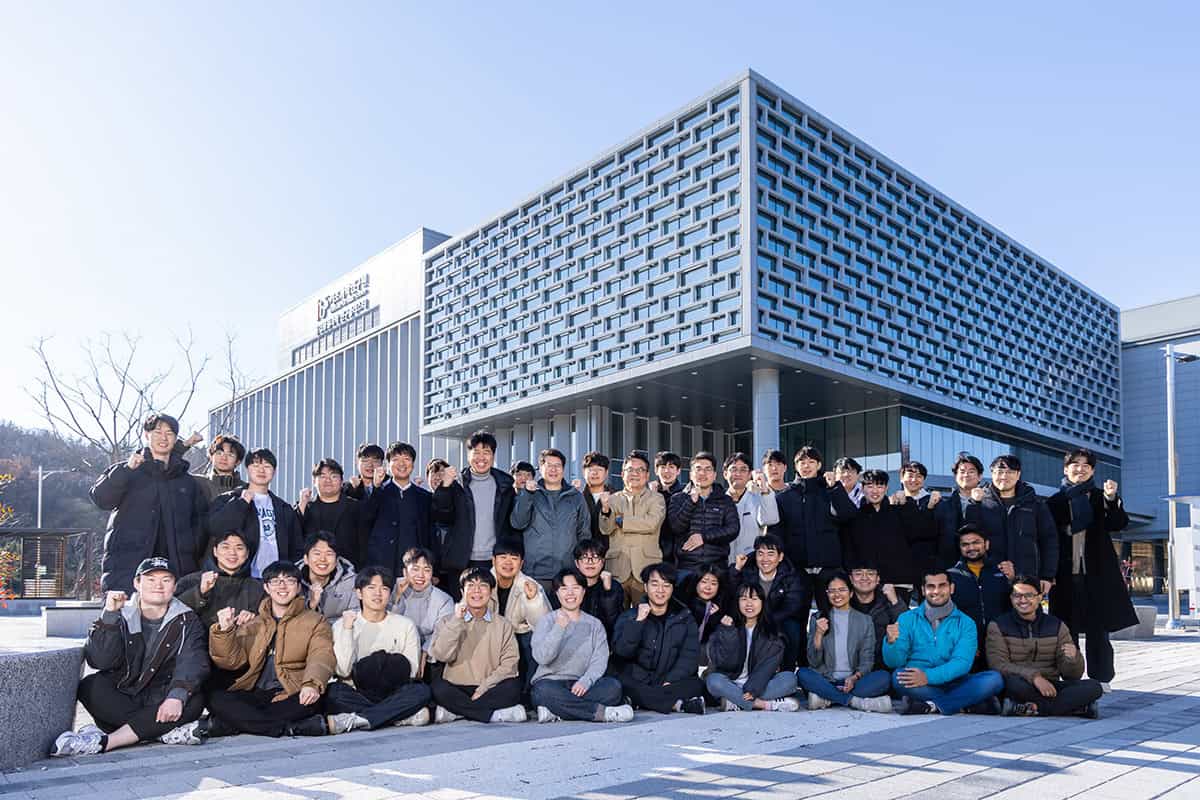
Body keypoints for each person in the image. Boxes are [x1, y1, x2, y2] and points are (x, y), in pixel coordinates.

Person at [51, 558, 209, 756]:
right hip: (125, 693)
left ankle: (107, 742)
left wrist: (175, 696)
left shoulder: (187, 619)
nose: (158, 585)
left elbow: (192, 661)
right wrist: (109, 616)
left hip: (161, 697)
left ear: (175, 586)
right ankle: (160, 732)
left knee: (194, 700)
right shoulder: (122, 613)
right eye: (150, 579)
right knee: (90, 686)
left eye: (166, 580)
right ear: (137, 583)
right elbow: (99, 661)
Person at [201, 560, 336, 738]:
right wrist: (225, 631)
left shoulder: (315, 621)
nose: (282, 586)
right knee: (216, 698)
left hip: (291, 692)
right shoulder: (253, 623)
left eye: (289, 581)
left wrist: (311, 684)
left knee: (312, 701)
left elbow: (321, 655)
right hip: (254, 692)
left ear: (298, 587)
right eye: (275, 581)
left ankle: (233, 724)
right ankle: (288, 729)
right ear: (266, 587)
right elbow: (231, 662)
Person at [1046, 448, 1137, 686]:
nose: (1080, 469)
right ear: (1066, 469)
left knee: (1099, 631)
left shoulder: (1100, 497)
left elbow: (1118, 523)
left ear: (1093, 471)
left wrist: (1111, 499)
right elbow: (1046, 538)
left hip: (1097, 576)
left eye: (1086, 466)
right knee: (1066, 630)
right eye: (1075, 465)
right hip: (1063, 576)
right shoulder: (1055, 502)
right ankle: (1070, 676)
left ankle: (1102, 678)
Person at [90, 413, 210, 592]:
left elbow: (200, 526)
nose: (164, 438)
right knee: (127, 609)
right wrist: (126, 471)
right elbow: (101, 499)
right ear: (147, 435)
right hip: (127, 569)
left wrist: (192, 552)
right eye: (158, 432)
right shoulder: (129, 470)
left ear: (175, 438)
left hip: (178, 570)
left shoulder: (186, 482)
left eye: (169, 433)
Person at [768, 446, 857, 665]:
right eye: (802, 462)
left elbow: (849, 515)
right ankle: (796, 665)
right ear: (795, 466)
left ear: (819, 465)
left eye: (811, 462)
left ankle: (832, 665)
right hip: (797, 570)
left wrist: (835, 488)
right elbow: (777, 534)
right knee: (794, 619)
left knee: (832, 618)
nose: (806, 466)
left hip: (828, 568)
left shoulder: (830, 491)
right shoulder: (785, 496)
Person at [324, 566, 432, 733]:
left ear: (390, 593)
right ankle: (399, 717)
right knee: (334, 693)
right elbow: (343, 670)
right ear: (359, 593)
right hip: (358, 691)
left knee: (421, 691)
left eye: (384, 588)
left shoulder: (405, 624)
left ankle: (358, 719)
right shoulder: (343, 624)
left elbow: (412, 671)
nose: (378, 594)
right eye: (371, 588)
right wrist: (347, 630)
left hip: (394, 690)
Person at [883, 569, 1003, 715]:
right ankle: (966, 703)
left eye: (942, 586)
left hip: (954, 681)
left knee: (994, 679)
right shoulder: (906, 618)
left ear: (951, 588)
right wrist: (891, 643)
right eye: (931, 586)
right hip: (917, 680)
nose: (936, 591)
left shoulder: (966, 623)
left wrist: (928, 677)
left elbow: (962, 663)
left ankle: (932, 706)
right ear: (923, 590)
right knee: (898, 677)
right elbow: (894, 662)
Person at [987, 576, 1102, 718]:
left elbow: (1072, 675)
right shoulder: (998, 625)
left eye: (1029, 595)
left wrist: (1073, 659)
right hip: (1021, 683)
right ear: (1011, 598)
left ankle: (1031, 708)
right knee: (1013, 684)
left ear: (1039, 597)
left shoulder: (1056, 625)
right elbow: (998, 665)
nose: (1023, 600)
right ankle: (1073, 708)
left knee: (1094, 686)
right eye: (1017, 595)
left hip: (1051, 684)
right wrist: (1034, 677)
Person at [530, 568, 634, 723]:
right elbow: (542, 658)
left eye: (575, 588)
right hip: (552, 683)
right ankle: (602, 713)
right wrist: (559, 628)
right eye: (564, 589)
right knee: (541, 692)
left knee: (613, 688)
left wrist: (586, 681)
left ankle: (557, 711)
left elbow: (599, 660)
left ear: (583, 591)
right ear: (557, 593)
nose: (570, 593)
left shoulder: (595, 625)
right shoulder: (547, 621)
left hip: (583, 684)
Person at [428, 568, 526, 723]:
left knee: (514, 688)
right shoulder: (447, 621)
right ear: (462, 591)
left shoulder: (503, 624)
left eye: (483, 586)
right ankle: (493, 715)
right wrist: (457, 621)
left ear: (491, 592)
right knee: (438, 689)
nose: (477, 591)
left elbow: (510, 664)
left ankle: (457, 712)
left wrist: (484, 687)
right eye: (471, 586)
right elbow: (442, 655)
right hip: (457, 686)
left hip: (490, 687)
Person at [431, 431, 518, 599]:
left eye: (486, 452)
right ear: (468, 455)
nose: (481, 457)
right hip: (461, 560)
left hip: (496, 560)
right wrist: (445, 487)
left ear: (493, 456)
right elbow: (441, 518)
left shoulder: (505, 485)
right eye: (476, 452)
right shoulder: (457, 484)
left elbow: (512, 524)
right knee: (463, 607)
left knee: (494, 607)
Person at [612, 562, 705, 715]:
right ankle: (677, 705)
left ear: (672, 588)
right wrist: (638, 623)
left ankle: (642, 700)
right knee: (619, 681)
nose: (660, 590)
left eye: (666, 585)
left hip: (669, 680)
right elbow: (622, 652)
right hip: (639, 679)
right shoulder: (630, 616)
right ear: (645, 586)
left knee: (696, 685)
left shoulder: (684, 617)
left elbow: (689, 656)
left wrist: (671, 679)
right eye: (655, 584)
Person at [795, 573, 892, 712]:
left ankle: (827, 698)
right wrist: (818, 634)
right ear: (827, 594)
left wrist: (854, 677)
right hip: (826, 680)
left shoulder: (865, 620)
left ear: (851, 593)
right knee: (802, 674)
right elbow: (814, 662)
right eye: (832, 591)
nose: (837, 595)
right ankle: (854, 701)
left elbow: (867, 660)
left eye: (842, 590)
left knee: (884, 677)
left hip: (854, 682)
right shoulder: (818, 618)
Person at [964, 455, 1058, 594]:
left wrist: (1047, 576)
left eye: (1010, 472)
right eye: (1000, 472)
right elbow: (969, 536)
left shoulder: (1035, 504)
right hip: (991, 576)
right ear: (992, 474)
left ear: (1018, 475)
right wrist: (974, 504)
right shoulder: (981, 502)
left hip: (1027, 577)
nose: (1004, 476)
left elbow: (1049, 540)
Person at [207, 448, 304, 579]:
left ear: (274, 471)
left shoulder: (284, 508)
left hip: (275, 581)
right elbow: (215, 528)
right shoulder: (228, 499)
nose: (261, 470)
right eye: (256, 465)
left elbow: (296, 547)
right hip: (241, 579)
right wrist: (242, 503)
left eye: (267, 466)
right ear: (247, 469)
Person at [705, 582, 800, 712]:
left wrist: (753, 689)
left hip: (760, 685)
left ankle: (735, 701)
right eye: (744, 599)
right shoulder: (727, 626)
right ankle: (766, 705)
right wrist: (728, 633)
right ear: (737, 602)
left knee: (790, 679)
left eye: (754, 599)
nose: (749, 604)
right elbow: (724, 664)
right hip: (731, 682)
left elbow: (767, 667)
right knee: (713, 680)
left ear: (762, 602)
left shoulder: (772, 632)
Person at [511, 447, 590, 594]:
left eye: (557, 466)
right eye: (549, 465)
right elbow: (518, 523)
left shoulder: (576, 497)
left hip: (567, 573)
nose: (553, 470)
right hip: (535, 573)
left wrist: (581, 566)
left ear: (563, 469)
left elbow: (584, 533)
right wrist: (527, 494)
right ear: (540, 468)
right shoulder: (529, 493)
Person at [841, 469, 920, 606]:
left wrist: (907, 504)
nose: (875, 491)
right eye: (870, 486)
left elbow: (917, 533)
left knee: (898, 618)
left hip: (898, 582)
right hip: (866, 584)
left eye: (879, 486)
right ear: (863, 488)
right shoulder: (855, 517)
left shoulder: (899, 510)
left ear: (886, 488)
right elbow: (849, 551)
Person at [598, 450, 667, 605]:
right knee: (615, 614)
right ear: (622, 474)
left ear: (647, 475)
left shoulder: (656, 498)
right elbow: (605, 529)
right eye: (630, 470)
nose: (635, 473)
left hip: (646, 568)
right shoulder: (612, 499)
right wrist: (606, 510)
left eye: (640, 470)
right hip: (617, 568)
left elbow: (651, 523)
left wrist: (621, 521)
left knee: (646, 614)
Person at [488, 538, 552, 702]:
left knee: (534, 641)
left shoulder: (530, 585)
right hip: (489, 636)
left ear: (522, 563)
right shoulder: (482, 581)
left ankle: (528, 692)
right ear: (493, 560)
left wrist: (533, 600)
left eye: (514, 558)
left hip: (518, 635)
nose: (508, 562)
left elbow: (543, 625)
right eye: (503, 557)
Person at [731, 534, 806, 670]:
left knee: (792, 627)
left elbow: (792, 606)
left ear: (780, 557)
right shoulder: (748, 570)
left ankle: (787, 671)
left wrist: (765, 620)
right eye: (760, 554)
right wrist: (736, 569)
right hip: (749, 616)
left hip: (777, 618)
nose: (765, 559)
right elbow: (731, 592)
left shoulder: (790, 575)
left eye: (770, 554)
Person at [359, 442, 433, 578]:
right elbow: (365, 521)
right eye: (396, 459)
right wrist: (376, 488)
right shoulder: (376, 492)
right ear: (387, 465)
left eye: (406, 459)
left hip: (413, 569)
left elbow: (430, 535)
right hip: (380, 567)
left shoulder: (424, 497)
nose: (402, 464)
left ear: (413, 464)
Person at [946, 524, 1012, 669]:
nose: (971, 548)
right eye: (965, 544)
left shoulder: (1002, 573)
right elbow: (946, 615)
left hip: (1000, 645)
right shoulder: (950, 576)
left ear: (986, 544)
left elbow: (1014, 606)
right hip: (967, 648)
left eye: (976, 542)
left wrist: (1013, 580)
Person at [176, 531, 264, 630]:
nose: (232, 553)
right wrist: (199, 592)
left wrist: (254, 618)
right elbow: (173, 612)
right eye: (225, 547)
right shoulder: (191, 580)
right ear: (215, 551)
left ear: (247, 553)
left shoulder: (258, 587)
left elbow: (268, 617)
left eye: (239, 548)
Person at [667, 451, 739, 571]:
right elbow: (676, 527)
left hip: (717, 567)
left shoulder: (725, 500)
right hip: (686, 567)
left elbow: (733, 529)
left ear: (714, 475)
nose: (702, 473)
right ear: (691, 474)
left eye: (707, 469)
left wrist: (704, 537)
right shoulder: (678, 498)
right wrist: (691, 502)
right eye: (698, 469)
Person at [391, 546, 454, 675]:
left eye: (426, 570)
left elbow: (443, 632)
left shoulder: (444, 599)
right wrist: (397, 598)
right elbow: (388, 626)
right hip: (397, 652)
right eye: (415, 569)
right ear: (405, 572)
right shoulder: (391, 592)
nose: (421, 575)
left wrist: (425, 650)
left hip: (430, 656)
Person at [297, 458, 365, 569]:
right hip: (313, 571)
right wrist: (302, 504)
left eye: (333, 476)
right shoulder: (306, 507)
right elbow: (294, 537)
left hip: (349, 571)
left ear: (341, 481)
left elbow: (363, 543)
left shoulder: (356, 507)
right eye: (322, 476)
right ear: (314, 481)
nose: (328, 480)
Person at [890, 461, 943, 589]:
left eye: (919, 476)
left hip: (928, 565)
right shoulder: (893, 502)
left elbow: (930, 531)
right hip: (900, 565)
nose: (914, 480)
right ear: (901, 478)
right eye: (910, 475)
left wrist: (930, 507)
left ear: (924, 480)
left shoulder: (934, 501)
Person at [847, 562, 907, 672]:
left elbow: (908, 628)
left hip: (882, 666)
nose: (864, 577)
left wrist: (895, 602)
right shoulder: (843, 600)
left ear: (878, 579)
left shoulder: (889, 600)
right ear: (851, 579)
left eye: (870, 573)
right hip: (849, 666)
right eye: (858, 574)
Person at [724, 452, 780, 563]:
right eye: (733, 469)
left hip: (750, 563)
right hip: (724, 563)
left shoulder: (758, 499)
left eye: (743, 470)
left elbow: (770, 519)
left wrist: (763, 487)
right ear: (725, 474)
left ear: (750, 475)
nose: (738, 473)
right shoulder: (718, 501)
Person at [935, 454, 985, 568]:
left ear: (980, 476)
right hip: (949, 567)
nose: (966, 475)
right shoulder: (943, 505)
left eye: (971, 471)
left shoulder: (990, 503)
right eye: (962, 471)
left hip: (983, 566)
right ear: (955, 476)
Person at [299, 531, 359, 622]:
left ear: (336, 560)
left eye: (329, 554)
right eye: (317, 553)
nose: (323, 559)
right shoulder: (292, 581)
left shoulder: (351, 581)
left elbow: (357, 613)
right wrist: (311, 605)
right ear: (306, 559)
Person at [574, 538, 626, 637]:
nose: (590, 562)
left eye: (595, 557)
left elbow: (615, 623)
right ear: (577, 563)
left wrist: (608, 592)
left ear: (602, 562)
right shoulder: (570, 586)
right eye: (584, 557)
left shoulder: (614, 586)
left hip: (604, 640)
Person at [684, 562, 729, 662]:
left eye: (713, 583)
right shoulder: (683, 603)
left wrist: (715, 618)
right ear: (696, 582)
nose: (708, 587)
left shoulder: (721, 606)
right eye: (704, 582)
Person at [193, 434, 248, 506]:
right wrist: (186, 444)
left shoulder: (245, 490)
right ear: (211, 457)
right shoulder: (196, 482)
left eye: (230, 455)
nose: (224, 458)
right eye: (219, 453)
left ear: (238, 462)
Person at [650, 451, 684, 564]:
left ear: (678, 471)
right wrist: (652, 496)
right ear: (656, 470)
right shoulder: (647, 493)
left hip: (676, 553)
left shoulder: (685, 494)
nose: (667, 471)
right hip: (651, 550)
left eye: (671, 467)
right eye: (663, 467)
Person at [578, 451, 616, 543]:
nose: (595, 473)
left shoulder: (616, 497)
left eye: (599, 469)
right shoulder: (577, 498)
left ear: (606, 473)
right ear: (583, 472)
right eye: (590, 469)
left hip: (611, 550)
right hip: (584, 550)